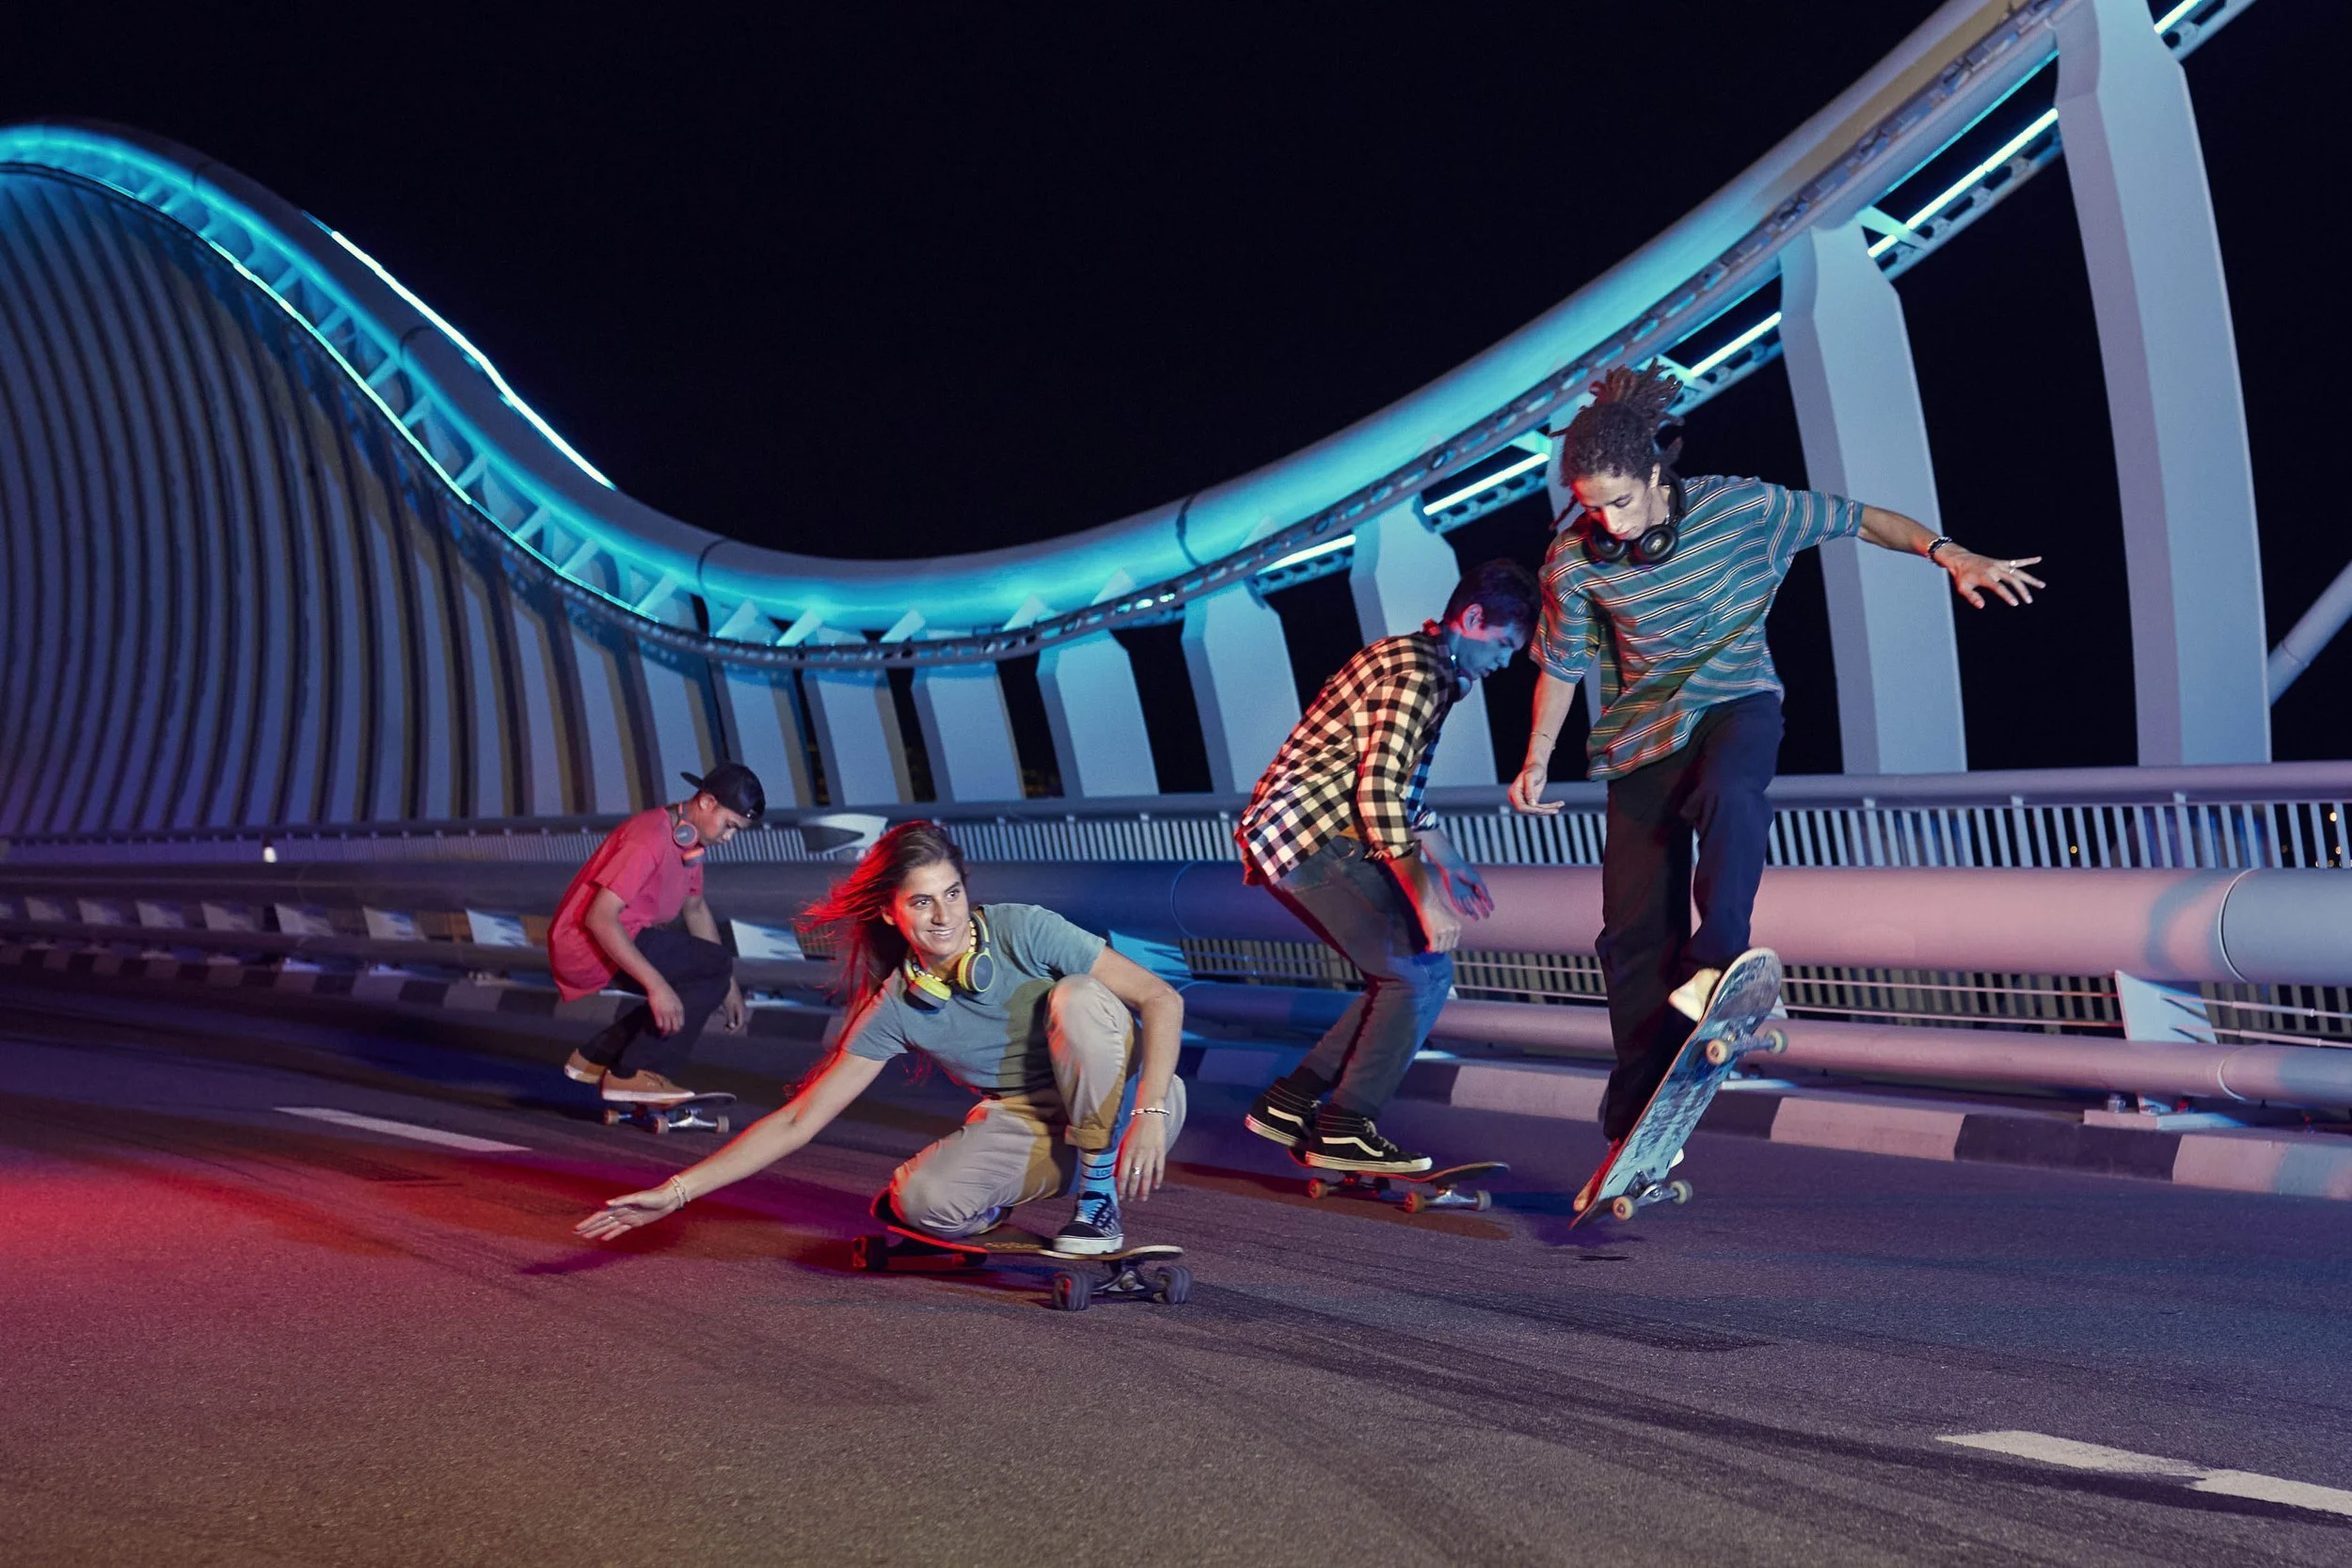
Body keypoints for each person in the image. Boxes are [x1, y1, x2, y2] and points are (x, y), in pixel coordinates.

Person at [1505, 366, 2043, 1205]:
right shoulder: (1573, 563)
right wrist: (1537, 755)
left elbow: (1861, 519)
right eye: (1589, 506)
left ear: (1655, 476)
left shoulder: (1744, 507)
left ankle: (1716, 958)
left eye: (1617, 503)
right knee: (1629, 935)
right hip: (1637, 740)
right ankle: (1633, 1128)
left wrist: (1948, 553)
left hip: (1736, 702)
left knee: (1731, 792)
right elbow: (1563, 666)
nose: (1605, 524)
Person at [575, 821, 1185, 1256]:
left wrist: (1153, 1112)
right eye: (922, 901)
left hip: (1133, 1098)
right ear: (893, 913)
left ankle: (1098, 1198)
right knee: (920, 1200)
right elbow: (798, 1122)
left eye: (953, 893)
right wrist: (675, 1192)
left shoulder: (1024, 929)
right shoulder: (896, 1007)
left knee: (1077, 997)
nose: (944, 915)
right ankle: (1021, 1189)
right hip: (1029, 1118)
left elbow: (1162, 998)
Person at [1236, 559, 1541, 1175]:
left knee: (1402, 974)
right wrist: (1424, 894)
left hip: (1294, 836)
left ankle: (1292, 1103)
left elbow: (1394, 787)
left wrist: (1446, 856)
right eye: (1504, 644)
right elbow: (1377, 791)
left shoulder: (1419, 661)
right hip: (1312, 838)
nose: (1505, 661)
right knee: (1420, 972)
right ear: (1473, 619)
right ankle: (1345, 1127)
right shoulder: (1419, 673)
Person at [550, 763, 766, 1104]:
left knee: (710, 970)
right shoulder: (649, 837)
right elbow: (600, 918)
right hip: (591, 943)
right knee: (705, 968)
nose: (729, 838)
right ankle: (633, 1073)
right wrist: (657, 985)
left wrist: (729, 987)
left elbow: (695, 909)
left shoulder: (690, 844)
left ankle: (596, 1056)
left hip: (619, 938)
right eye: (729, 826)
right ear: (707, 802)